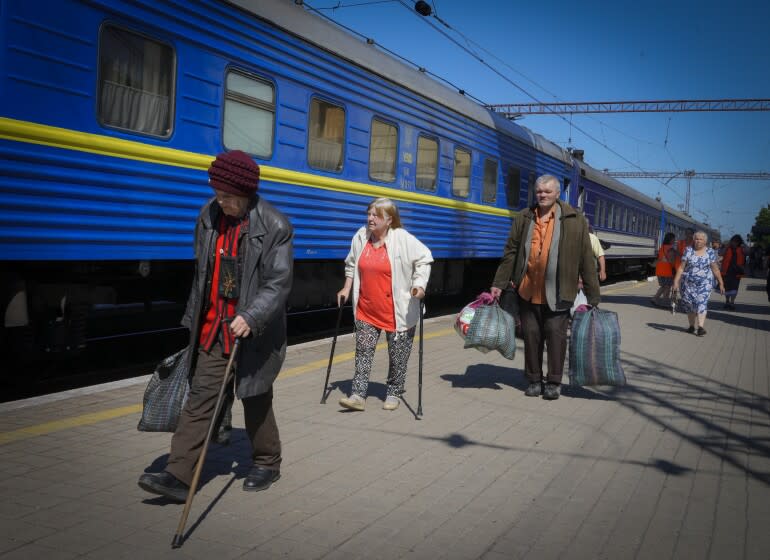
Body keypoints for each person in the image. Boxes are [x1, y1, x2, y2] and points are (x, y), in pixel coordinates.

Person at [138, 150, 294, 502]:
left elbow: (278, 283)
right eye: (218, 194)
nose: (220, 201)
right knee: (199, 399)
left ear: (247, 193)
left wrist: (251, 316)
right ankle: (178, 475)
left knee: (254, 396)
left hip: (255, 331)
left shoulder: (275, 226)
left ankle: (267, 462)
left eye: (228, 196)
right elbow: (202, 275)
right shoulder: (208, 215)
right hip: (214, 327)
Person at [489, 174, 600, 400]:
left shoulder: (574, 219)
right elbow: (510, 251)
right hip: (528, 289)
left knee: (556, 337)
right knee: (531, 336)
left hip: (559, 292)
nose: (542, 195)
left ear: (557, 194)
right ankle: (533, 380)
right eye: (539, 191)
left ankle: (554, 381)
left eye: (547, 192)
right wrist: (499, 283)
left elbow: (586, 258)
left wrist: (593, 295)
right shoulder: (524, 217)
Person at [336, 198, 432, 412]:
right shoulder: (361, 236)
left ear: (389, 219)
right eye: (369, 213)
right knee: (363, 352)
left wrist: (419, 285)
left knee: (398, 357)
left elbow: (424, 258)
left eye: (376, 215)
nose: (370, 218)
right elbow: (351, 263)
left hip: (397, 312)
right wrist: (346, 288)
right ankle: (358, 395)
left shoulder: (402, 239)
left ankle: (394, 392)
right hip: (366, 309)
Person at [672, 230, 724, 336]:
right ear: (693, 240)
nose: (698, 241)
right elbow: (681, 268)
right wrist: (675, 282)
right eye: (696, 239)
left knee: (701, 303)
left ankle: (700, 327)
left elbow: (715, 269)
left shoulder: (710, 252)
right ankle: (691, 326)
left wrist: (721, 282)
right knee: (689, 305)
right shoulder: (688, 250)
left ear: (705, 241)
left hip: (705, 283)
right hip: (688, 284)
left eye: (701, 239)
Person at [721, 234, 746, 310]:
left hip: (737, 272)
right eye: (733, 241)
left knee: (734, 288)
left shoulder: (742, 249)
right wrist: (726, 246)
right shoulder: (728, 248)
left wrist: (744, 244)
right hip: (727, 271)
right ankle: (727, 301)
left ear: (739, 242)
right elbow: (721, 253)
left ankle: (732, 303)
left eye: (736, 242)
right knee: (727, 288)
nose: (734, 243)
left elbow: (749, 251)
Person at [652, 232, 676, 307]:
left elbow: (659, 258)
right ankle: (665, 303)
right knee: (667, 286)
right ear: (670, 240)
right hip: (667, 270)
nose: (674, 240)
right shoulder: (671, 249)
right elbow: (671, 261)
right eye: (673, 239)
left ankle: (655, 298)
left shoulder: (661, 247)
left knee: (663, 286)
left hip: (659, 269)